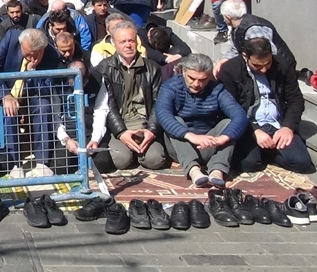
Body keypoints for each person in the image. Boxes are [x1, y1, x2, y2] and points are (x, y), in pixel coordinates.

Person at [219, 38, 314, 174]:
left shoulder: (283, 66)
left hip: (277, 124)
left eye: (268, 63)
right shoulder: (230, 70)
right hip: (248, 125)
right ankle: (264, 151)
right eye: (257, 65)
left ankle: (270, 152)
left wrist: (288, 127)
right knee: (248, 164)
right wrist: (254, 131)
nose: (263, 69)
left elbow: (296, 100)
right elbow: (230, 106)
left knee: (302, 163)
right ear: (245, 56)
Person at [155, 53, 248, 187]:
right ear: (183, 71)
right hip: (180, 145)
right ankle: (194, 170)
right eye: (192, 78)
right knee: (174, 120)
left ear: (209, 76)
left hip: (209, 143)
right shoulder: (170, 87)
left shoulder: (217, 89)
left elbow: (239, 115)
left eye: (203, 80)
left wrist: (224, 137)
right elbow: (162, 113)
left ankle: (217, 170)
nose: (197, 84)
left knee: (228, 124)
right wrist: (190, 136)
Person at [0, 29, 64, 175]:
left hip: (32, 94)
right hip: (8, 91)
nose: (31, 57)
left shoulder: (52, 54)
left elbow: (46, 89)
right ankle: (16, 164)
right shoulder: (10, 38)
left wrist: (32, 72)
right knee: (9, 111)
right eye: (27, 53)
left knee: (44, 106)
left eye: (35, 54)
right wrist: (5, 95)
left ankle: (42, 162)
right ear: (21, 44)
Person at [92, 22, 168, 171]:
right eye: (122, 42)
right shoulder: (104, 68)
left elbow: (159, 103)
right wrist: (121, 132)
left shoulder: (152, 68)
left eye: (131, 41)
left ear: (137, 41)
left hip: (144, 124)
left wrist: (151, 131)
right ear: (114, 44)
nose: (128, 45)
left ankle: (142, 149)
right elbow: (107, 106)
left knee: (155, 160)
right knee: (121, 160)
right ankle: (130, 150)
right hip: (121, 124)